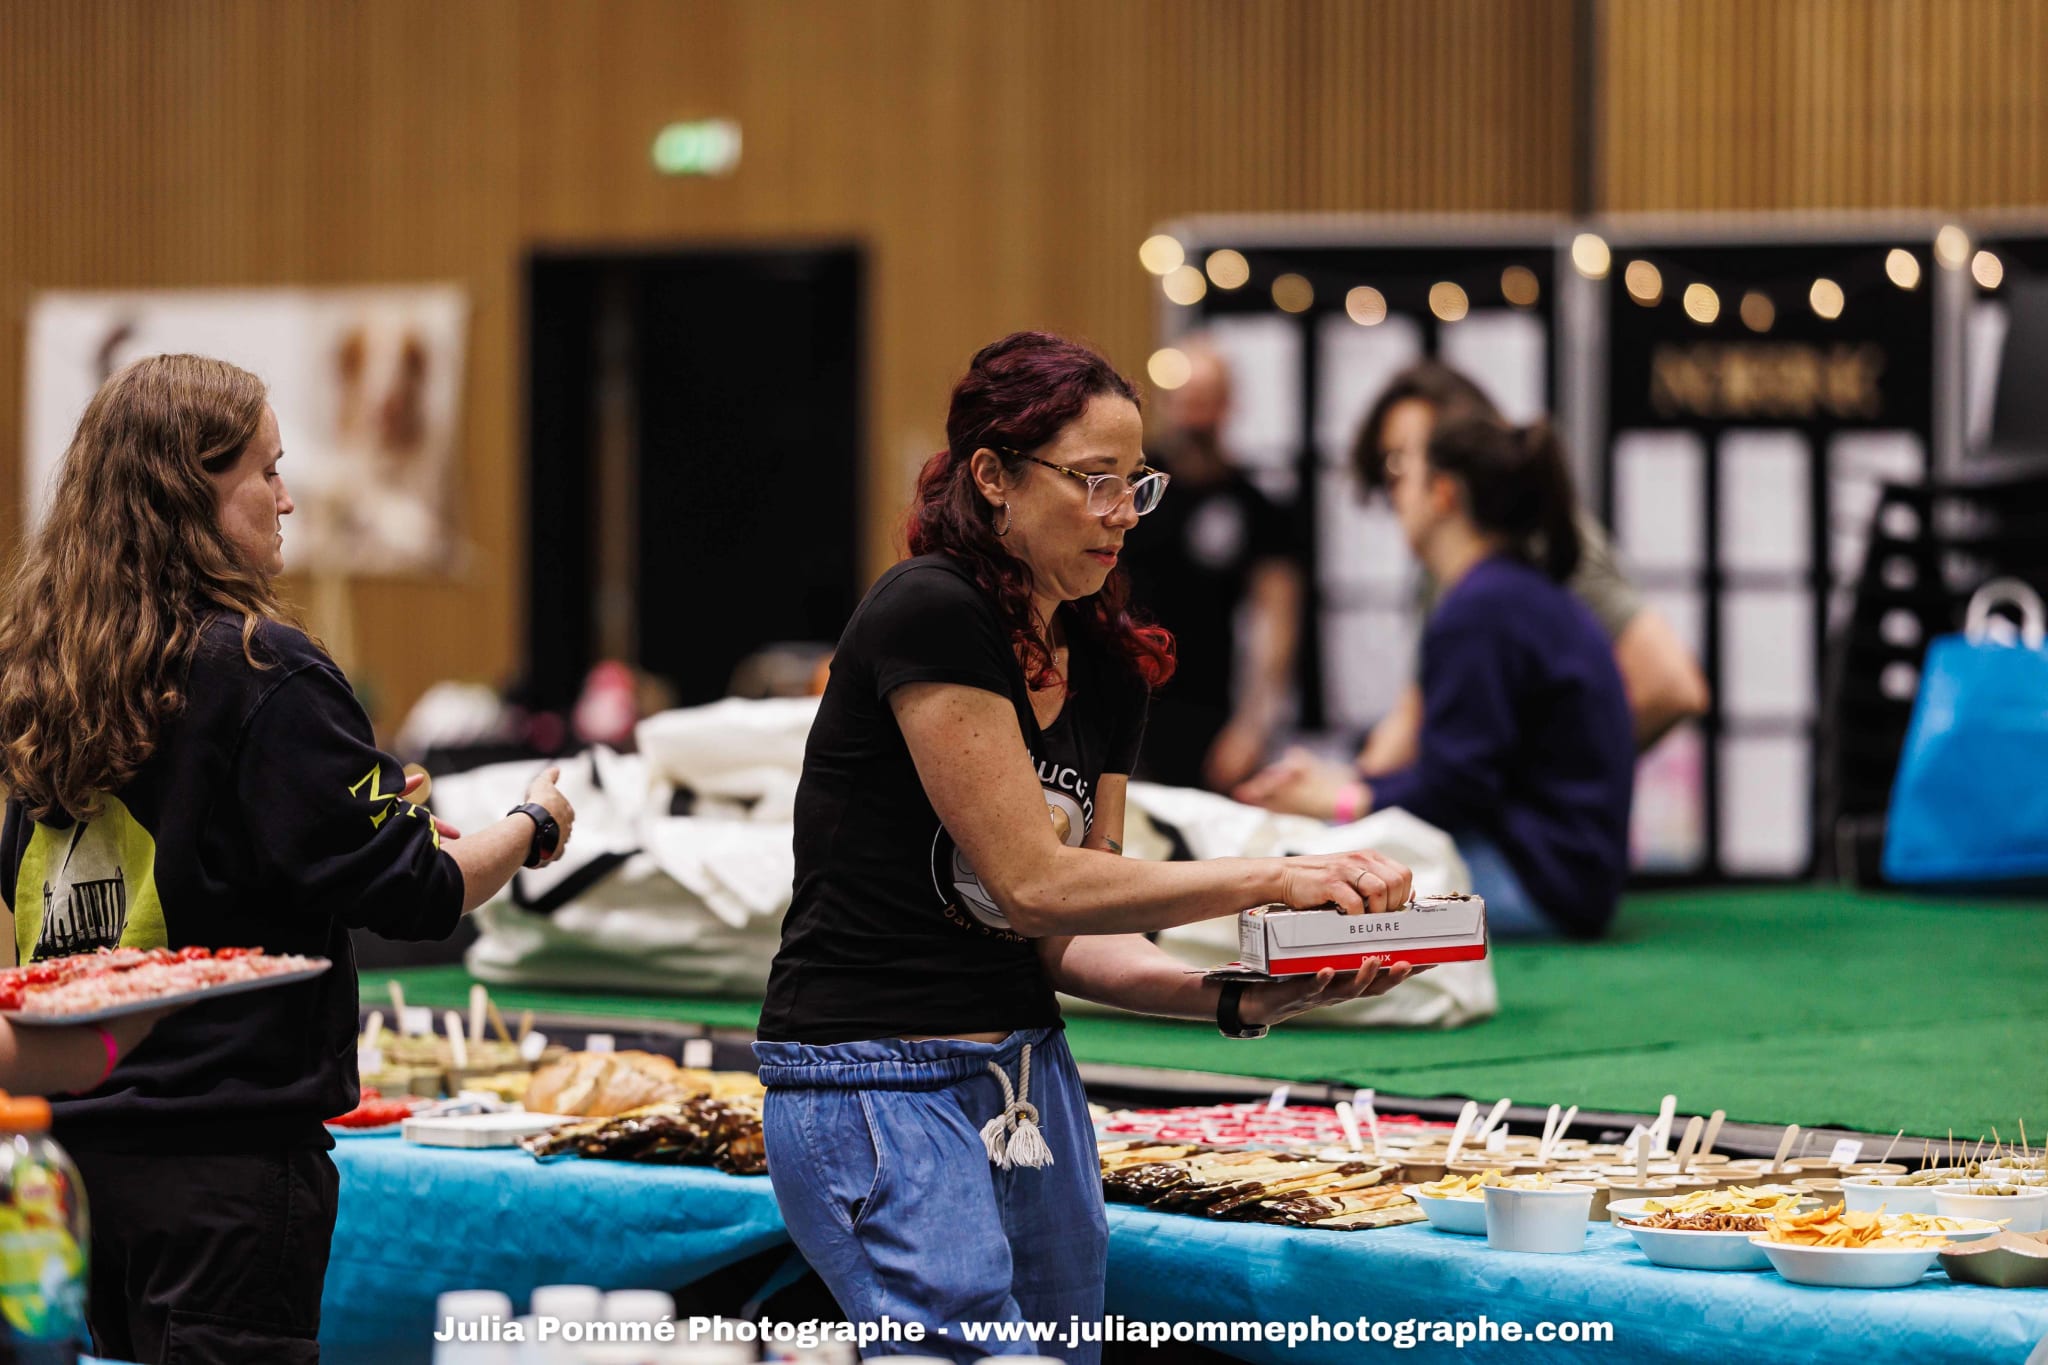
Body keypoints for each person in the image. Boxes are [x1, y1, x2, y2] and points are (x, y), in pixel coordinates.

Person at [755, 332, 1419, 1365]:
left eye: (1135, 486)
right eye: (1093, 482)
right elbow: (1030, 884)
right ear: (992, 478)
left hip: (1024, 1077)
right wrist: (1282, 873)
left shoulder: (1107, 664)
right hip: (875, 1075)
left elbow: (1070, 930)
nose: (1121, 514)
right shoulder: (930, 611)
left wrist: (1234, 998)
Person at [0, 355, 576, 1365]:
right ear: (191, 491)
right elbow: (423, 891)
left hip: (61, 1164)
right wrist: (533, 823)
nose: (288, 499)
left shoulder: (35, 670)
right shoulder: (262, 667)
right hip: (223, 1175)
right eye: (265, 472)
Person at [1236, 410, 1635, 939]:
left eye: (1403, 472)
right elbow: (1471, 772)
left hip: (1540, 884)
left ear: (1443, 493)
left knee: (1295, 876)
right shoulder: (1513, 593)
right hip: (1567, 878)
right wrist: (1351, 784)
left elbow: (1459, 787)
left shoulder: (1480, 607)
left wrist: (1338, 799)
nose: (1393, 494)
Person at [1349, 362, 1709, 773]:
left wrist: (1539, 787)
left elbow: (1670, 686)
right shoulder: (1446, 578)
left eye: (1407, 461)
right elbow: (1411, 728)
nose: (1400, 486)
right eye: (1390, 468)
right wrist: (1346, 794)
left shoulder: (1533, 547)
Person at [1120, 339, 1301, 791]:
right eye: (1186, 399)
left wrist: (1254, 725)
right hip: (1123, 697)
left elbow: (1276, 618)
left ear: (1228, 404)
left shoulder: (1255, 504)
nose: (1195, 413)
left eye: (1207, 399)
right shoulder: (1132, 491)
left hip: (1210, 709)